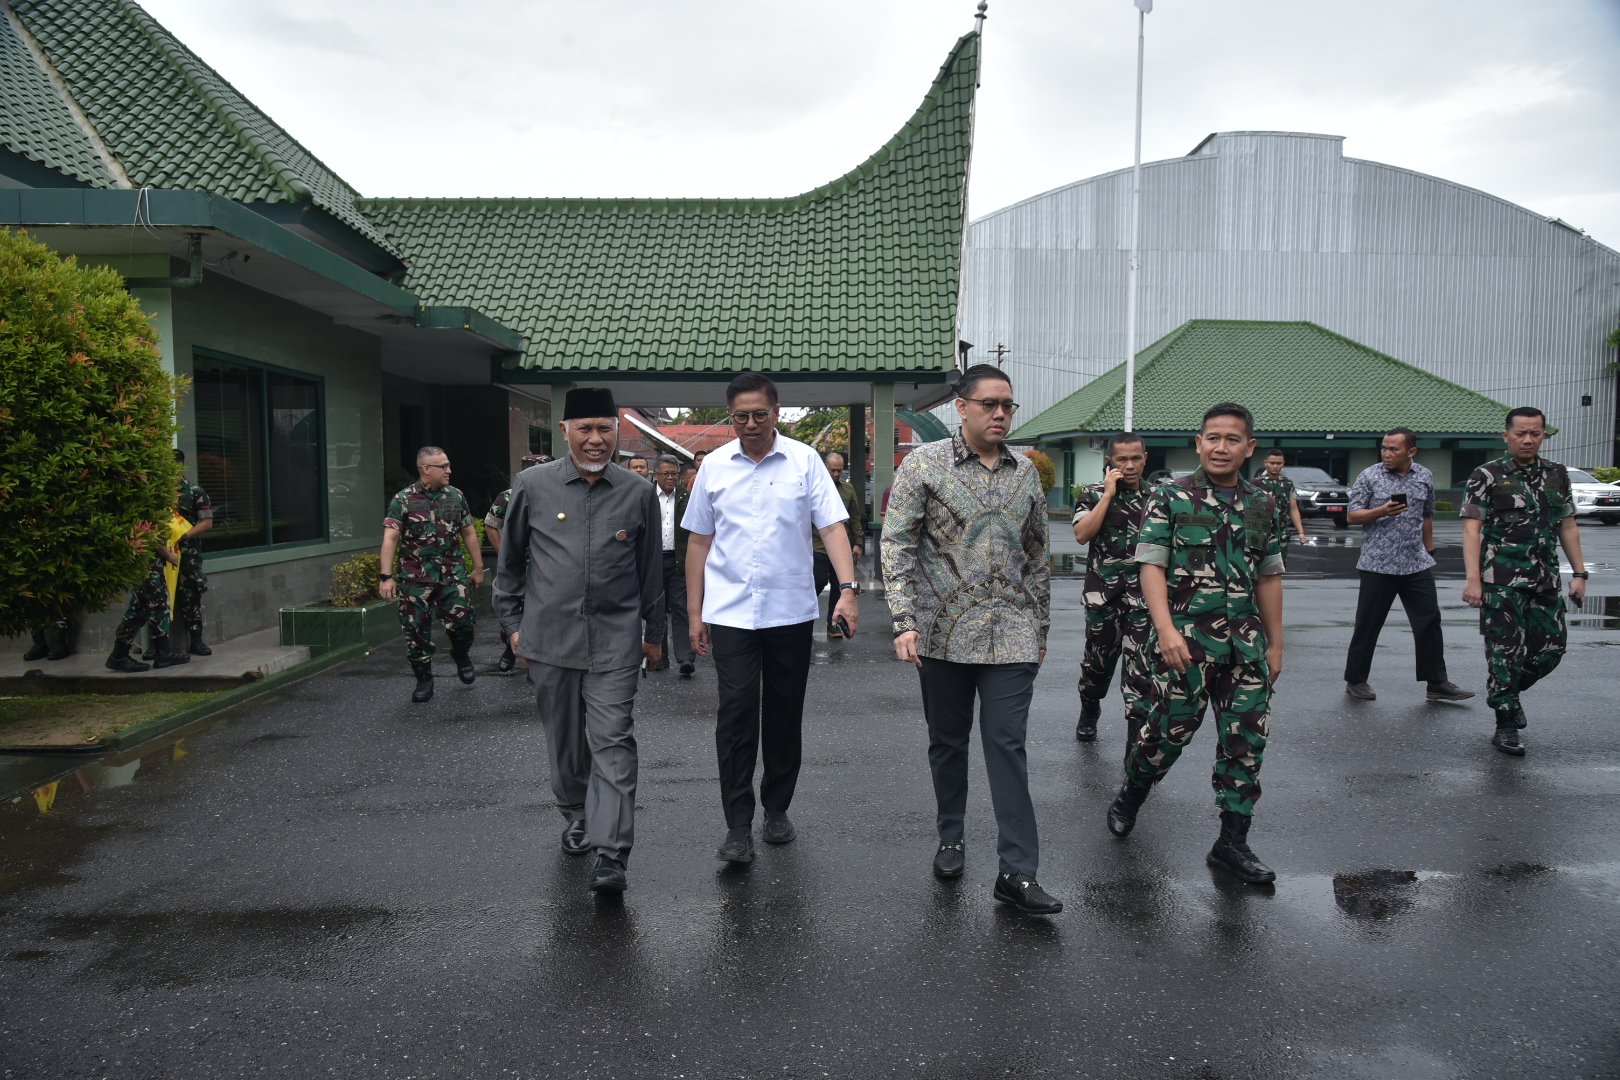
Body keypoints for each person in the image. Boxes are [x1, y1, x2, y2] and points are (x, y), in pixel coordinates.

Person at [884, 365, 1060, 915]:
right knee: (947, 742)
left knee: (1007, 744)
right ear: (961, 408)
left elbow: (1037, 556)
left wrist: (1040, 627)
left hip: (1010, 636)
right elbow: (897, 544)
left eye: (1007, 404)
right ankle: (952, 837)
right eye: (989, 404)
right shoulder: (924, 465)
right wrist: (904, 620)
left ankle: (1018, 872)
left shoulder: (1026, 474)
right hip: (940, 635)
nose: (1001, 414)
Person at [683, 374, 858, 865]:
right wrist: (695, 613)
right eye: (741, 416)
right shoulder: (714, 467)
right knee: (736, 713)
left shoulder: (804, 462)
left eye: (760, 415)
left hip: (790, 610)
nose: (751, 424)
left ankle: (776, 808)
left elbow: (832, 528)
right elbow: (698, 540)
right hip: (732, 612)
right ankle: (737, 824)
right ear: (730, 417)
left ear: (777, 413)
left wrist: (847, 591)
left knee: (784, 712)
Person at [1107, 402, 1285, 886]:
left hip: (1245, 648)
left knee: (1246, 742)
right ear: (1198, 442)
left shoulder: (1263, 503)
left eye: (1232, 439)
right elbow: (1151, 565)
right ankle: (1132, 794)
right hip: (1185, 645)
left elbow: (1268, 576)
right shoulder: (1171, 497)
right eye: (1212, 437)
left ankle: (1232, 843)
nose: (1221, 447)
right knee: (1166, 736)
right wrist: (1165, 630)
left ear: (1248, 447)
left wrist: (1276, 645)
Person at [496, 388, 665, 893]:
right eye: (585, 429)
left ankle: (612, 852)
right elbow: (508, 567)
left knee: (613, 739)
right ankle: (575, 812)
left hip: (615, 641)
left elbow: (650, 572)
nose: (596, 439)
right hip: (548, 640)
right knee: (566, 745)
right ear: (566, 431)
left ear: (618, 431)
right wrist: (512, 627)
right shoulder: (532, 485)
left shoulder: (638, 492)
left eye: (605, 429)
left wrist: (654, 637)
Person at [1460, 407, 1587, 756]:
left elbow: (1567, 525)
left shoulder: (1557, 475)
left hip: (1545, 580)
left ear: (1543, 435)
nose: (1528, 439)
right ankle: (1505, 724)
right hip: (1499, 582)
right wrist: (1474, 580)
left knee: (1551, 651)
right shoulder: (1487, 475)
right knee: (1505, 654)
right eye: (1521, 433)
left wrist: (1579, 574)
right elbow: (1472, 530)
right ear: (1506, 436)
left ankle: (1506, 693)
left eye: (1535, 433)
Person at [1343, 429, 1473, 703]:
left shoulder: (1424, 476)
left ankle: (1436, 682)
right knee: (1368, 625)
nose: (1387, 454)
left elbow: (1427, 515)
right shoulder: (1370, 476)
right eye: (1384, 448)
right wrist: (1381, 511)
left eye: (1394, 449)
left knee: (1429, 621)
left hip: (1415, 563)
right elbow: (1352, 516)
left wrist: (1429, 548)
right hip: (1378, 563)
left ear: (1411, 452)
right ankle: (1355, 680)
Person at [380, 446, 484, 703]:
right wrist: (386, 576)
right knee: (415, 632)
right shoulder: (403, 499)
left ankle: (461, 653)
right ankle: (424, 680)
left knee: (464, 624)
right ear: (426, 469)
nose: (449, 470)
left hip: (452, 575)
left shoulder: (455, 496)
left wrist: (478, 567)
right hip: (415, 578)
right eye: (444, 466)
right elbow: (390, 538)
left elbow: (468, 532)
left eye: (449, 465)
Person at [1071, 432, 1153, 750]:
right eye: (1122, 459)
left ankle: (1135, 747)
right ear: (1110, 462)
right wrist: (1108, 495)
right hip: (1104, 599)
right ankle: (1089, 711)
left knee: (1141, 671)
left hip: (1145, 601)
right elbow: (1081, 534)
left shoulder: (1160, 498)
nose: (1130, 465)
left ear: (1146, 458)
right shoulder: (1092, 494)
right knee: (1097, 667)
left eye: (1136, 458)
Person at [484, 453, 548, 673]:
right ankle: (509, 646)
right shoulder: (509, 496)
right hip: (521, 563)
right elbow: (491, 524)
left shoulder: (559, 494)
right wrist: (504, 553)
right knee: (512, 606)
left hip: (549, 565)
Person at [104, 527, 189, 673]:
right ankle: (119, 655)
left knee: (156, 606)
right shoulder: (147, 507)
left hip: (151, 562)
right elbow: (149, 533)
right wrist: (168, 554)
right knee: (144, 606)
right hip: (145, 562)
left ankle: (163, 653)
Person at [651, 454, 696, 675]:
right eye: (665, 473)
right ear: (655, 475)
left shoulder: (687, 498)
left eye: (674, 474)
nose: (670, 478)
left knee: (680, 608)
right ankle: (659, 657)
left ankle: (686, 657)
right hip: (654, 560)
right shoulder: (646, 496)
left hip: (679, 560)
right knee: (657, 609)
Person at [814, 451, 866, 639]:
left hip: (841, 549)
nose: (836, 474)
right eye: (832, 470)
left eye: (839, 470)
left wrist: (858, 543)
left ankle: (833, 625)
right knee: (816, 582)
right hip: (817, 546)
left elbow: (855, 518)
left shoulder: (848, 490)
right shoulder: (815, 489)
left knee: (839, 586)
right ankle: (805, 622)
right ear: (824, 467)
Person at [172, 449, 215, 655]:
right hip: (163, 553)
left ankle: (196, 640)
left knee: (191, 593)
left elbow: (207, 522)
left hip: (187, 552)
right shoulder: (158, 493)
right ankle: (159, 645)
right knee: (159, 596)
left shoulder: (195, 491)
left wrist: (185, 536)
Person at [1252, 450, 1306, 547]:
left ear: (1283, 463)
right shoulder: (1256, 484)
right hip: (1260, 531)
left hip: (1281, 531)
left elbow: (1293, 509)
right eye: (1272, 463)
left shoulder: (1287, 483)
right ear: (1265, 463)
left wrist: (1301, 532)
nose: (1275, 466)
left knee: (1280, 561)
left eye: (1278, 463)